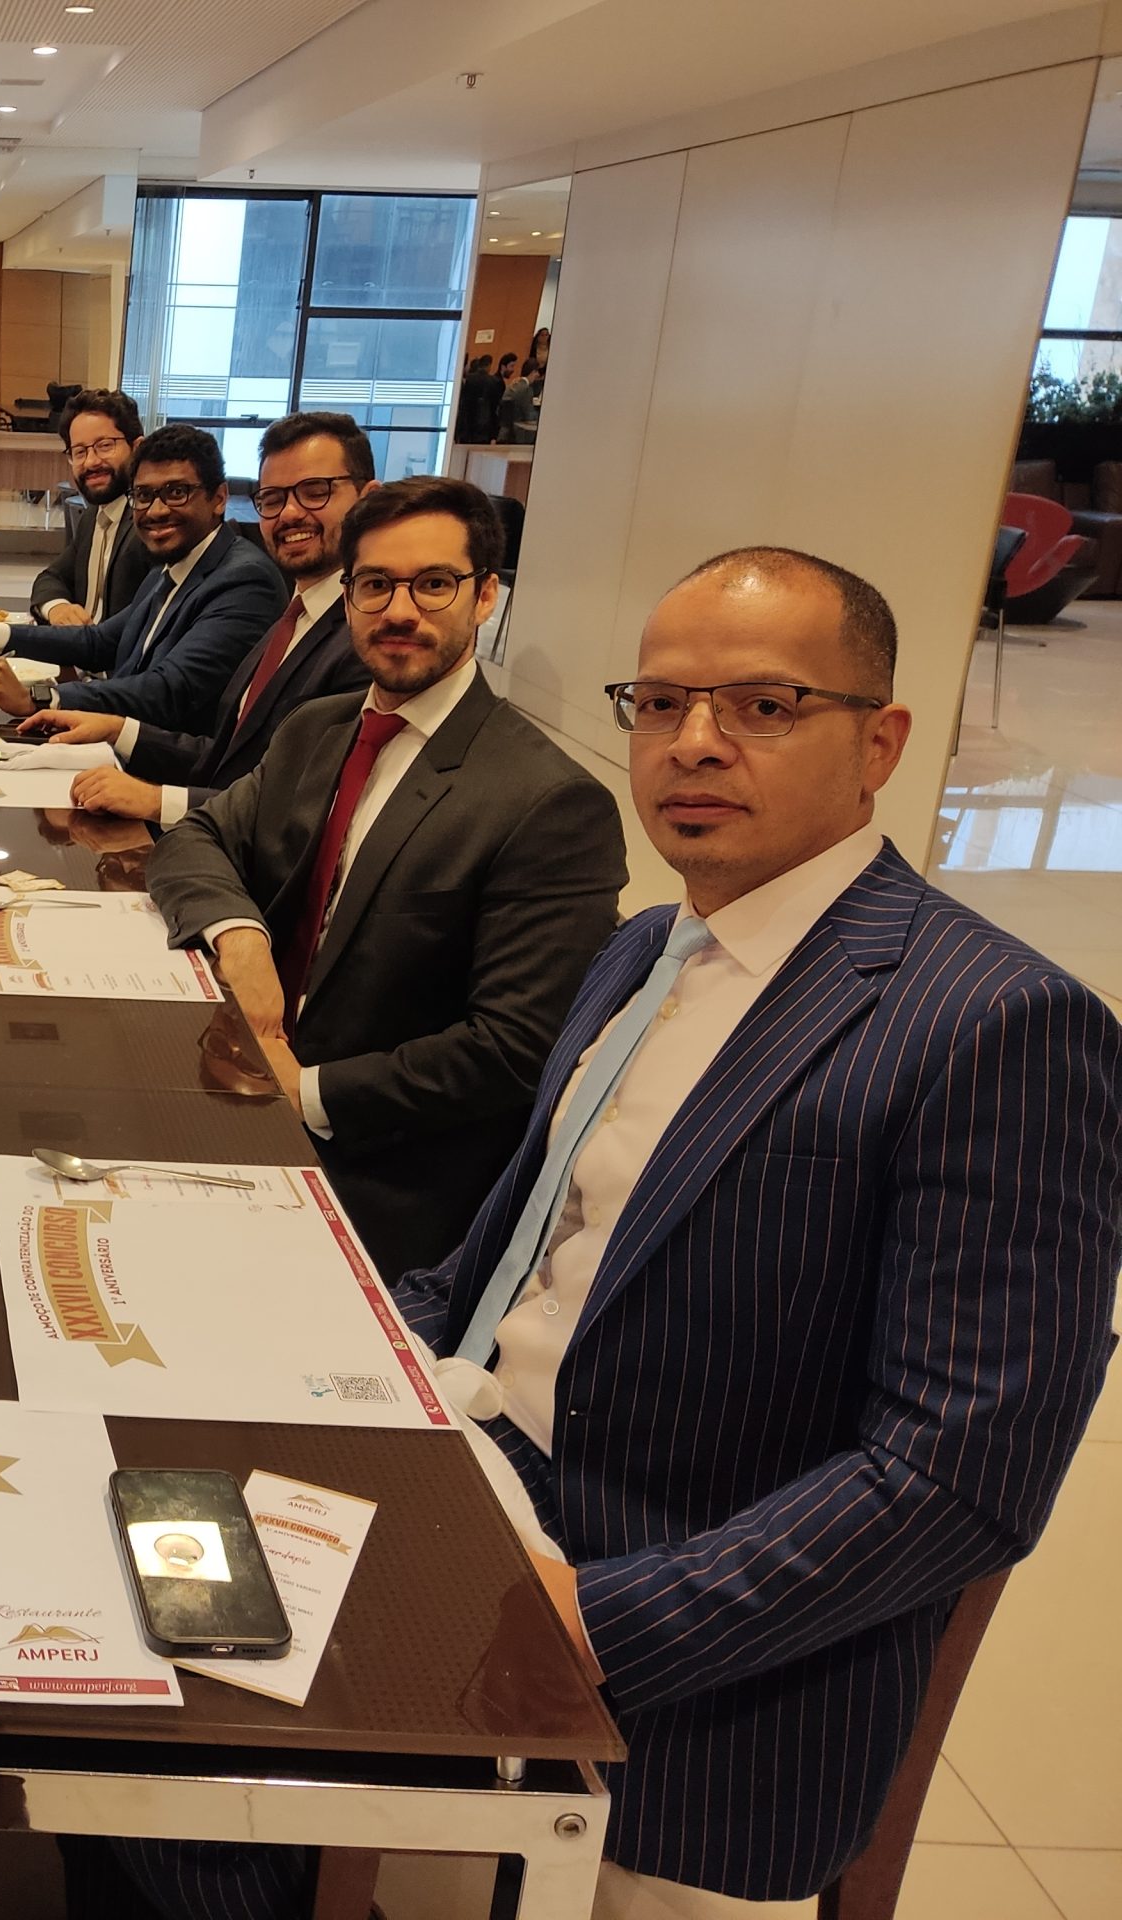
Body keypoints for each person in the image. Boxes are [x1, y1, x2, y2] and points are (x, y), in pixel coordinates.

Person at [123, 549, 1122, 1920]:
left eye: (763, 707)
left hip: (661, 1613)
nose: (693, 744)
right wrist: (320, 1376)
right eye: (659, 705)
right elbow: (500, 1265)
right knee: (126, 1575)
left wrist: (593, 1623)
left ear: (880, 742)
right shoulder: (648, 945)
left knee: (188, 1806)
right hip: (469, 1471)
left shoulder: (995, 1025)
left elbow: (956, 1477)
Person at [144, 474, 625, 1279]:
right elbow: (199, 836)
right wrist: (241, 935)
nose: (399, 610)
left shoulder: (549, 802)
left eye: (433, 583)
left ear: (486, 597)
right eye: (374, 584)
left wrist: (305, 1091)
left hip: (379, 1175)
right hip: (237, 1075)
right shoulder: (317, 730)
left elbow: (513, 1049)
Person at [37, 412, 378, 824]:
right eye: (273, 498)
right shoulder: (296, 614)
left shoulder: (367, 640)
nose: (289, 514)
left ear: (367, 499)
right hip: (205, 825)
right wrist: (118, 730)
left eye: (314, 492)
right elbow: (227, 758)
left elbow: (306, 809)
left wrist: (159, 800)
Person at [0, 425, 286, 736]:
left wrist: (41, 696)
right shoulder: (172, 567)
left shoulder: (244, 581)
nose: (156, 510)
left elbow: (169, 690)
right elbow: (100, 642)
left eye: (176, 492)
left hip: (161, 770)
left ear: (219, 498)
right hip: (111, 741)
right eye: (144, 495)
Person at [28, 389, 155, 625]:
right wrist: (58, 608)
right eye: (79, 452)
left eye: (104, 446)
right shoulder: (94, 516)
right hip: (77, 645)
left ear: (137, 448)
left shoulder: (152, 522)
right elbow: (51, 578)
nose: (91, 462)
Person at [456, 351, 503, 444]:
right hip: (484, 427)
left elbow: (463, 404)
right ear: (489, 365)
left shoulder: (468, 379)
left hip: (467, 425)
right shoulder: (494, 382)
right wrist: (494, 434)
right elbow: (495, 408)